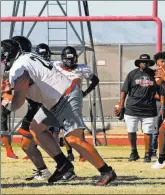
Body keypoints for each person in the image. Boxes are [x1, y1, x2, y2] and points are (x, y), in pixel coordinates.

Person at [1, 39, 117, 185]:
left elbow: (18, 101)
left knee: (73, 139)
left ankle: (106, 171)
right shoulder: (28, 58)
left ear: (7, 56)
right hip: (55, 99)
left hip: (65, 97)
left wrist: (6, 107)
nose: (3, 63)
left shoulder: (18, 67)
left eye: (2, 60)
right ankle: (63, 165)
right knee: (36, 129)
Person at [11, 36, 52, 180]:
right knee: (27, 145)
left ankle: (64, 167)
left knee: (39, 141)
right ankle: (45, 171)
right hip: (36, 109)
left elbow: (18, 96)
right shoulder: (31, 62)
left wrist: (7, 99)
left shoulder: (25, 65)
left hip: (44, 108)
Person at [53, 46, 99, 162]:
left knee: (77, 127)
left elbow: (95, 80)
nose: (69, 62)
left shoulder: (82, 68)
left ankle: (82, 153)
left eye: (71, 59)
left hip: (75, 101)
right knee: (64, 127)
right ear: (62, 58)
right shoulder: (56, 65)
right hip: (60, 100)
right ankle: (69, 153)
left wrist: (85, 92)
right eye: (67, 59)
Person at [115, 54, 157, 163]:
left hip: (149, 108)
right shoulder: (132, 74)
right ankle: (134, 152)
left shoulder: (154, 74)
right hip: (132, 108)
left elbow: (159, 90)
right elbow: (124, 90)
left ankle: (148, 154)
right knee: (131, 131)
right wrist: (121, 105)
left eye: (147, 62)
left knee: (148, 132)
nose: (145, 63)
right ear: (139, 63)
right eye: (143, 62)